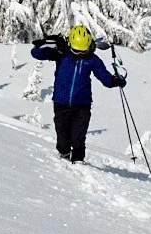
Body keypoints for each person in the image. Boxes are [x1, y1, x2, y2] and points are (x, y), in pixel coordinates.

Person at [30, 24, 127, 163]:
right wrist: (46, 43)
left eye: (83, 51)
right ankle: (63, 155)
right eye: (76, 50)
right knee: (62, 139)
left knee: (78, 137)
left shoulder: (92, 59)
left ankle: (78, 161)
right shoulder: (61, 54)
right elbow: (36, 54)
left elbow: (104, 77)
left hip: (82, 105)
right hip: (61, 103)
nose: (79, 54)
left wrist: (115, 81)